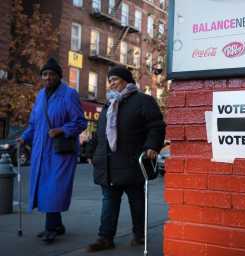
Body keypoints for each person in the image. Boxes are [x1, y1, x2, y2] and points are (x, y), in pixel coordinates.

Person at [86, 65, 166, 252]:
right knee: (109, 203)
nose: (111, 83)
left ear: (127, 80)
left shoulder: (143, 101)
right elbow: (99, 133)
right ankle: (105, 238)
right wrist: (90, 152)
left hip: (132, 162)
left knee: (137, 202)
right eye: (110, 80)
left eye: (115, 79)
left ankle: (139, 235)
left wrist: (152, 146)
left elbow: (156, 126)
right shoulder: (109, 104)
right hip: (108, 163)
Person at [17, 57, 87, 243]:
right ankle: (57, 225)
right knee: (45, 188)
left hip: (60, 151)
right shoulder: (40, 95)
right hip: (41, 150)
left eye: (51, 74)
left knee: (54, 189)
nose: (48, 77)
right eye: (44, 74)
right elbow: (33, 123)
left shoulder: (69, 94)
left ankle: (50, 228)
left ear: (58, 76)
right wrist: (24, 138)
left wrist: (62, 130)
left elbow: (80, 122)